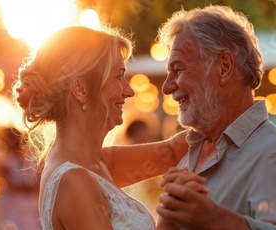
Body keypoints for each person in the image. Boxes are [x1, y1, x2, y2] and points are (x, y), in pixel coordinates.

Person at [13, 26, 204, 229]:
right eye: (119, 76)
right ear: (80, 89)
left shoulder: (96, 163)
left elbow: (172, 152)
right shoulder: (74, 181)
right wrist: (171, 215)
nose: (129, 91)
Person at [155, 5, 276, 229]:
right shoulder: (192, 153)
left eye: (178, 70)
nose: (167, 87)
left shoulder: (274, 153)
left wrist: (214, 219)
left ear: (224, 67)